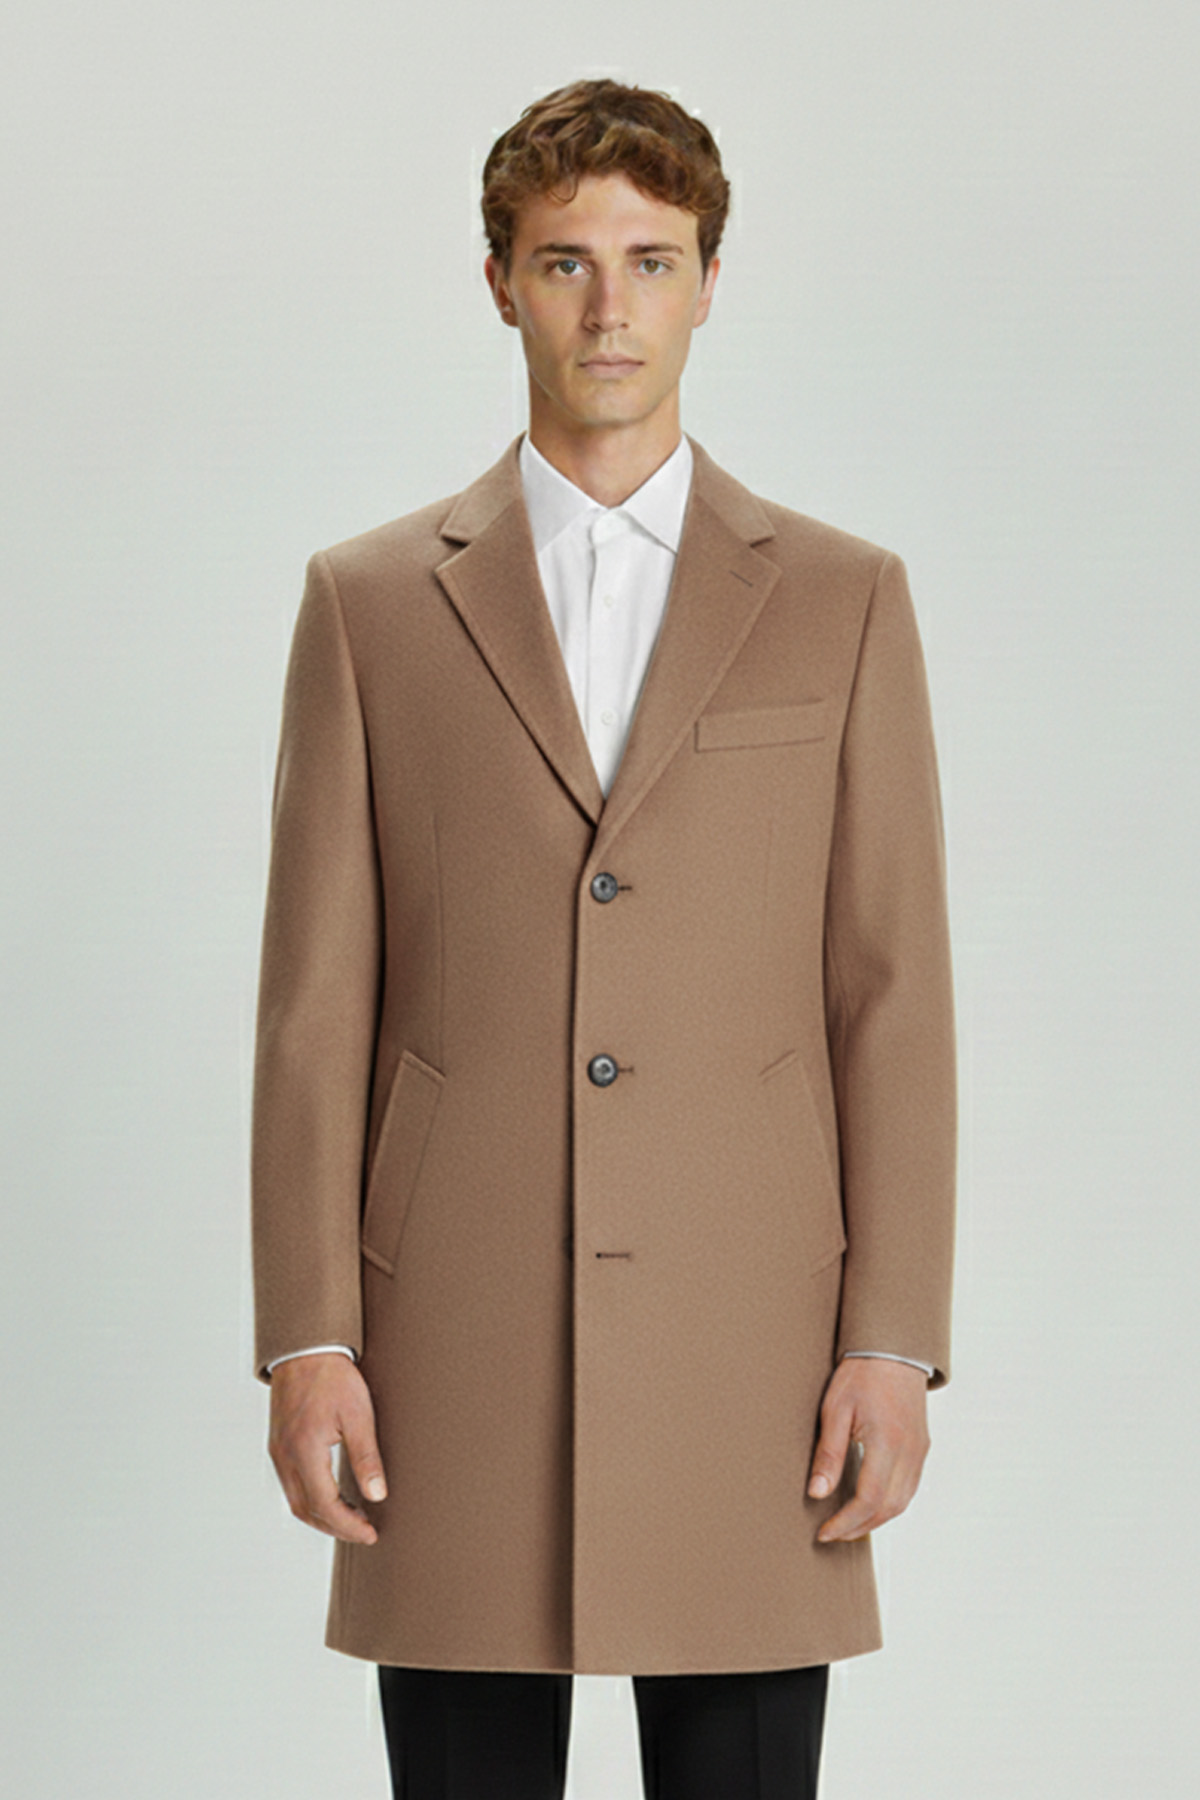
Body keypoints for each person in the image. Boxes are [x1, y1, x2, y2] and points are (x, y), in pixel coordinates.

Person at [250, 77, 956, 1800]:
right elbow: (315, 1008)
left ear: (713, 281)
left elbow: (890, 994)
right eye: (567, 262)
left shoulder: (845, 598)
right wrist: (307, 1334)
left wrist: (891, 1338)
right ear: (500, 282)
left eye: (653, 261)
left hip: (755, 1340)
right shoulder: (368, 604)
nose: (611, 308)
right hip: (451, 1338)